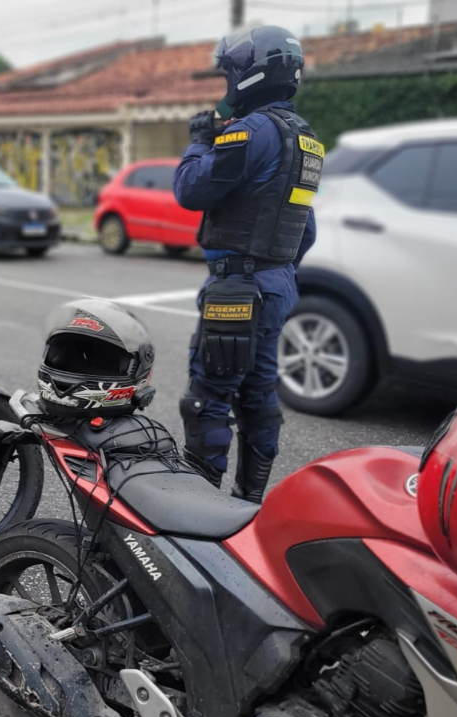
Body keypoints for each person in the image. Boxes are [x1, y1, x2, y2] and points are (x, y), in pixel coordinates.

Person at [174, 25, 321, 503]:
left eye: (231, 74)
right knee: (258, 395)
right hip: (278, 285)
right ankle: (248, 503)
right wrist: (274, 270)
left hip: (237, 289)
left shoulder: (249, 131)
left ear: (252, 74)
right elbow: (307, 228)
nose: (228, 84)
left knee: (208, 401)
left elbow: (191, 190)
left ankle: (198, 518)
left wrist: (199, 140)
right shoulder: (305, 141)